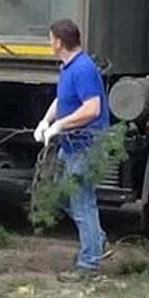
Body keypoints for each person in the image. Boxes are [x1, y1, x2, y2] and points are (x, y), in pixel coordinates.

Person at [33, 19, 110, 283]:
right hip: (71, 144)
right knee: (60, 194)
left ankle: (89, 264)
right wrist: (46, 121)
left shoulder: (83, 69)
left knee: (81, 203)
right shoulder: (69, 67)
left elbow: (92, 109)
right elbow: (62, 99)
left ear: (59, 41)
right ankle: (97, 242)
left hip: (84, 144)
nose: (49, 43)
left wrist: (61, 125)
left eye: (50, 38)